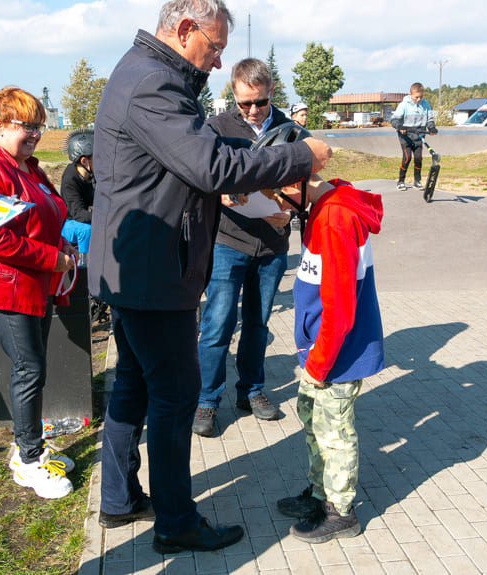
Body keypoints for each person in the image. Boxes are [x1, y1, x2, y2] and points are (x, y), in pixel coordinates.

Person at [88, 0, 332, 553]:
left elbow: (195, 159)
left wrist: (231, 169)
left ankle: (119, 498)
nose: (218, 62)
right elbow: (210, 166)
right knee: (175, 397)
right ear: (183, 29)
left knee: (131, 385)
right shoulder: (155, 82)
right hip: (153, 275)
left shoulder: (144, 72)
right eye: (214, 46)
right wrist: (298, 156)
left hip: (135, 269)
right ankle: (175, 522)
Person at [0, 87, 78, 500]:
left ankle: (30, 449)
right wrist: (51, 258)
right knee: (29, 370)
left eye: (39, 126)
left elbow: (47, 214)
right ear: (0, 125)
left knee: (33, 367)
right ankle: (28, 461)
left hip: (32, 283)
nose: (36, 134)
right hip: (4, 286)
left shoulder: (28, 167)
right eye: (28, 126)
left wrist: (61, 246)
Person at [269, 174, 385, 544]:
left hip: (334, 355)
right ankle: (320, 494)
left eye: (276, 197)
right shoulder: (323, 207)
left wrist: (318, 364)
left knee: (334, 433)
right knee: (314, 422)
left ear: (294, 184)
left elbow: (339, 306)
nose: (279, 207)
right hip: (318, 350)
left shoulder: (335, 217)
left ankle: (342, 511)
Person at [192, 58, 295, 437]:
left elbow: (304, 182)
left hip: (272, 245)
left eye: (261, 102)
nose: (253, 111)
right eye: (245, 103)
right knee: (218, 324)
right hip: (227, 243)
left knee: (257, 323)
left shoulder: (291, 130)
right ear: (233, 96)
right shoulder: (214, 129)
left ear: (271, 94)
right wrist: (222, 198)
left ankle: (251, 390)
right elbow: (201, 180)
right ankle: (206, 400)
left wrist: (289, 211)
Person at [390, 82, 436, 190]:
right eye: (416, 97)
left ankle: (417, 181)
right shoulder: (404, 105)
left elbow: (429, 120)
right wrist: (399, 126)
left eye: (421, 97)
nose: (419, 99)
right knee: (407, 158)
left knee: (418, 158)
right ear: (410, 94)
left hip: (419, 136)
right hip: (405, 136)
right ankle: (401, 181)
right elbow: (394, 120)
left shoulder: (425, 105)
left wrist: (432, 128)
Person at [60, 128, 95, 263]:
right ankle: (83, 266)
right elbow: (78, 214)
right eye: (95, 157)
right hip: (67, 223)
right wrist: (103, 217)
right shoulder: (70, 178)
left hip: (79, 218)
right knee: (86, 230)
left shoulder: (93, 175)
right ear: (84, 161)